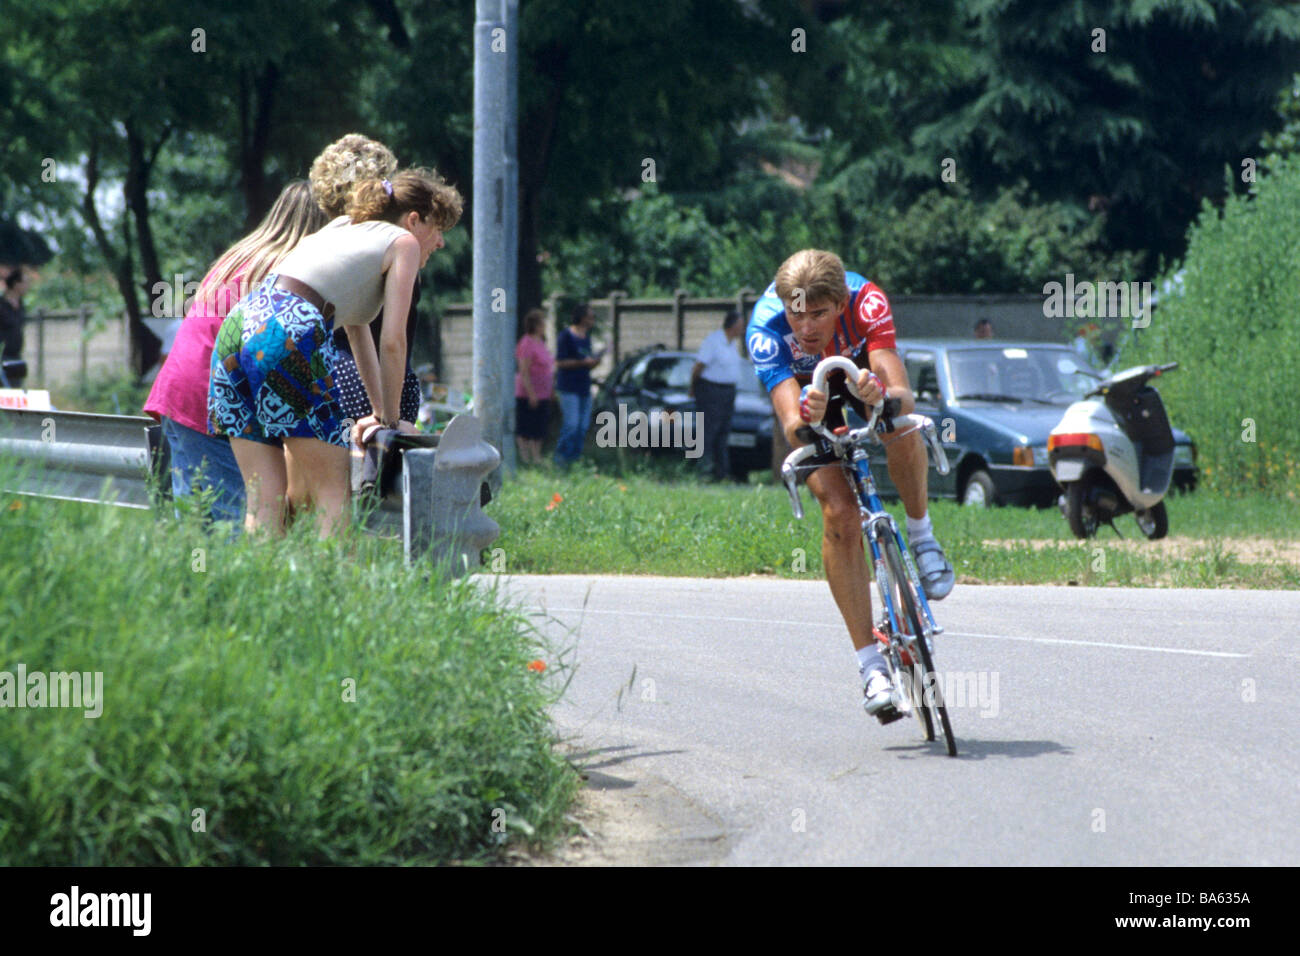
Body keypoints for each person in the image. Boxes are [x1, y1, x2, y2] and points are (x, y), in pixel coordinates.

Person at [747, 249, 955, 722]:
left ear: (840, 302)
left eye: (818, 314)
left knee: (897, 425)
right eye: (796, 315)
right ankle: (870, 668)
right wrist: (809, 418)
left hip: (860, 370)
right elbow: (790, 427)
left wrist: (884, 398)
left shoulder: (868, 303)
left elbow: (902, 392)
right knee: (839, 513)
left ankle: (922, 537)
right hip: (808, 392)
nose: (805, 327)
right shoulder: (766, 330)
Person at [209, 168, 462, 537]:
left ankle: (261, 591)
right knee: (332, 491)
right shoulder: (402, 243)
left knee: (265, 500)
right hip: (290, 327)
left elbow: (361, 338)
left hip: (240, 325)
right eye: (438, 229)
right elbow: (392, 342)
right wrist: (393, 424)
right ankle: (336, 589)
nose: (440, 243)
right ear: (413, 220)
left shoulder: (344, 228)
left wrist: (380, 415)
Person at [144, 181, 327, 525]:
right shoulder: (292, 269)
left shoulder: (242, 255)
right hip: (208, 396)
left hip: (182, 389)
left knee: (199, 522)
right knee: (230, 525)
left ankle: (194, 577)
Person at [310, 134, 425, 430]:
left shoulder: (320, 240)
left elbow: (356, 325)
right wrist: (388, 414)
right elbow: (391, 342)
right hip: (364, 377)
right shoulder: (392, 246)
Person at [689, 309, 745, 481]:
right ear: (733, 325)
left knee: (723, 432)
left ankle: (722, 473)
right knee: (708, 432)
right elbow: (698, 367)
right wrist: (692, 388)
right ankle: (705, 470)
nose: (743, 330)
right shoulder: (713, 341)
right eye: (741, 325)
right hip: (711, 391)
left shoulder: (732, 345)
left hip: (728, 392)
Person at [552, 303, 600, 467]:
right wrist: (582, 362)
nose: (593, 320)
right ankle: (560, 459)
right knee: (571, 424)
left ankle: (574, 460)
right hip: (568, 388)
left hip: (584, 387)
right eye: (591, 316)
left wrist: (593, 363)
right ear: (582, 317)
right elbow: (560, 362)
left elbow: (585, 362)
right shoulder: (565, 335)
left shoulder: (586, 337)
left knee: (583, 426)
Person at [514, 308, 555, 464]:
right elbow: (524, 371)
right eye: (542, 322)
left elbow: (547, 368)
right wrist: (531, 393)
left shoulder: (541, 342)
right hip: (528, 393)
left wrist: (550, 389)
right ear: (535, 325)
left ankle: (536, 456)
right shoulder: (526, 343)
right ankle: (525, 457)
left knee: (539, 425)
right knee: (526, 425)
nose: (544, 325)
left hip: (543, 392)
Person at [0, 267, 29, 386]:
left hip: (15, 356)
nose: (28, 286)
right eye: (25, 282)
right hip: (3, 357)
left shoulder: (21, 306)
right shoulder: (1, 305)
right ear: (16, 284)